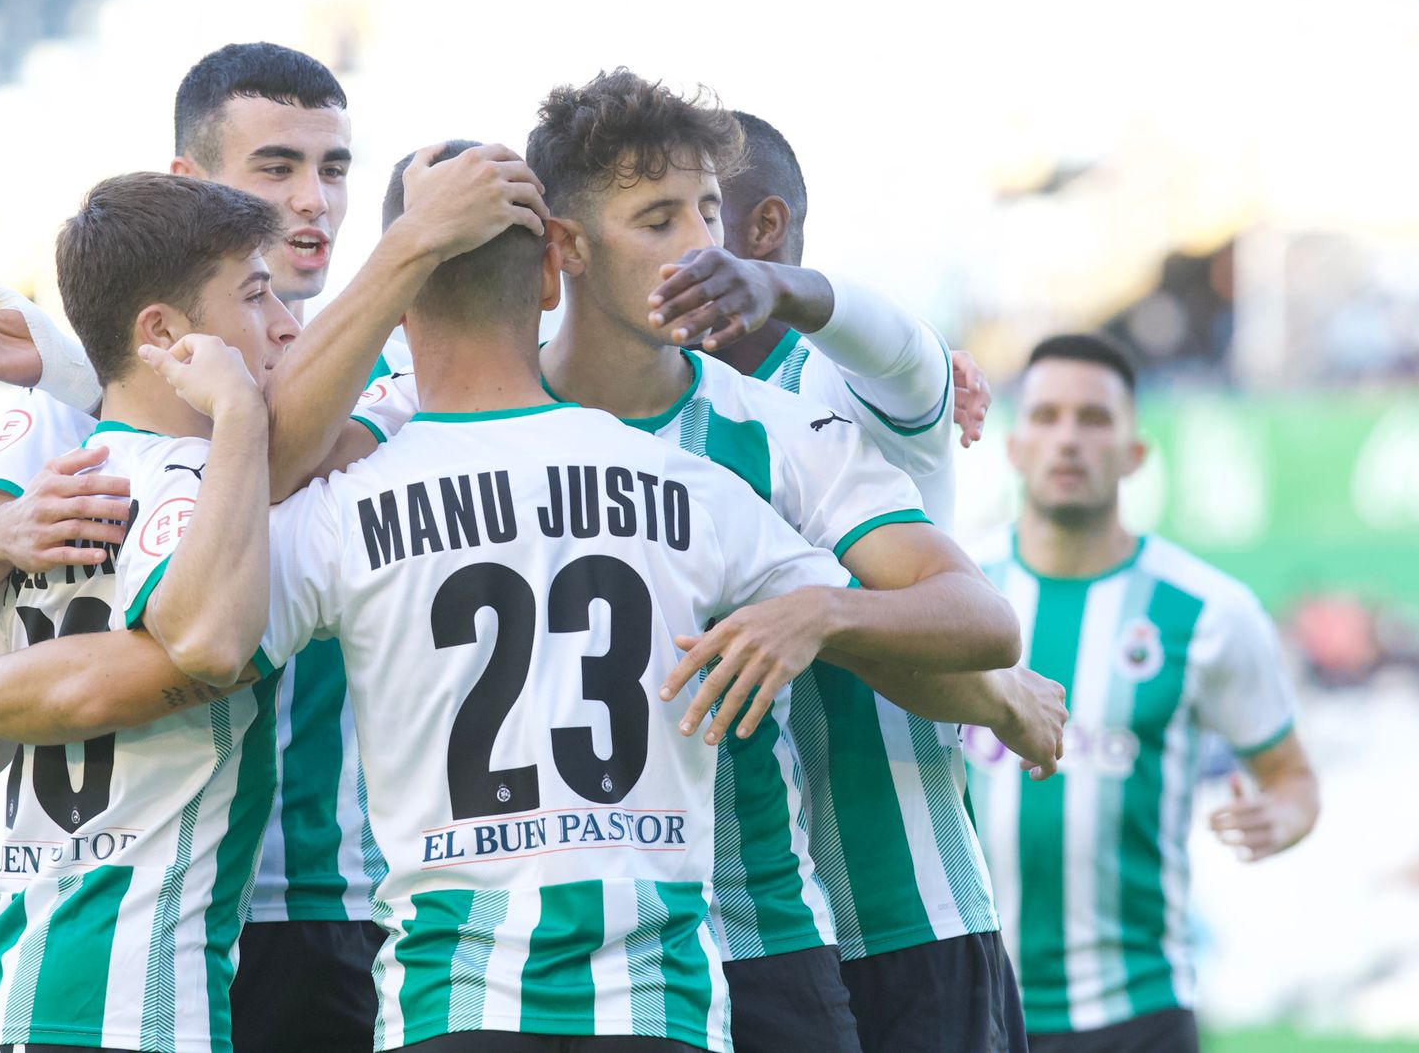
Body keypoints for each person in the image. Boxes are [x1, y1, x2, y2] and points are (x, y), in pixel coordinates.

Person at [314, 81, 1060, 1053]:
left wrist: (822, 615)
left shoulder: (776, 429)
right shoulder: (443, 402)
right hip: (506, 961)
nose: (699, 243)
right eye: (658, 217)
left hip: (754, 939)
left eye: (708, 210)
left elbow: (973, 610)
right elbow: (287, 462)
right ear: (566, 250)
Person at [0, 41, 548, 1053]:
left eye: (334, 169)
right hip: (150, 912)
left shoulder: (385, 362)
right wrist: (4, 518)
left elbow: (266, 457)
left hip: (322, 890)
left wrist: (91, 370)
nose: (313, 201)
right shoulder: (101, 402)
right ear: (194, 189)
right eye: (277, 167)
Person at [0, 172, 287, 1052]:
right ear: (163, 333)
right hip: (149, 1013)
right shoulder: (213, 501)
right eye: (257, 297)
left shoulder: (57, 488)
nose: (286, 324)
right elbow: (207, 648)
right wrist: (243, 418)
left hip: (3, 1003)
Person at [966, 333, 1321, 1053]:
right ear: (1013, 444)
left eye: (1094, 420)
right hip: (971, 1006)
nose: (1069, 439)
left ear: (1135, 453)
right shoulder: (956, 593)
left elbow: (1292, 778)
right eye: (1047, 416)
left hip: (1137, 1015)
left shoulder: (1208, 612)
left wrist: (1278, 819)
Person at [644, 109, 981, 532]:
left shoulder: (848, 382)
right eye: (657, 221)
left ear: (765, 227)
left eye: (708, 212)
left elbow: (906, 354)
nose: (683, 241)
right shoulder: (641, 398)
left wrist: (772, 285)